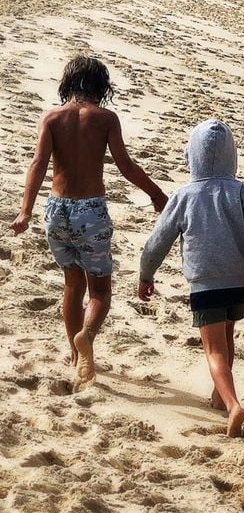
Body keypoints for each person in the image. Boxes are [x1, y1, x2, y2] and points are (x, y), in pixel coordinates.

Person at [10, 56, 168, 390]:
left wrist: (25, 211)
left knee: (72, 284)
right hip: (90, 212)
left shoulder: (52, 118)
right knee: (100, 292)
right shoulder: (105, 118)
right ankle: (87, 337)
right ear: (100, 87)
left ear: (68, 83)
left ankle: (73, 351)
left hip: (56, 211)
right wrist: (156, 194)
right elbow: (124, 164)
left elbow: (38, 164)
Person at [139, 119, 244, 437]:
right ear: (233, 156)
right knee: (227, 338)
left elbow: (157, 241)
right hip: (239, 283)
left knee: (214, 349)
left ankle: (233, 405)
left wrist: (146, 274)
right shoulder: (243, 192)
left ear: (192, 156)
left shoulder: (184, 196)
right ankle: (220, 398)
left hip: (206, 284)